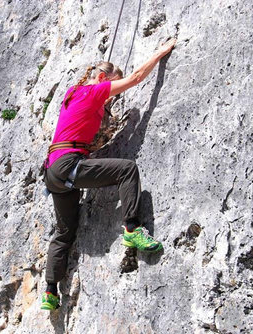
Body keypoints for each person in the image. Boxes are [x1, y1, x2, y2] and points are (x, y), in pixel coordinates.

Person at [40, 38, 177, 310]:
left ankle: (50, 291)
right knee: (127, 169)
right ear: (102, 78)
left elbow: (84, 124)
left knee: (64, 232)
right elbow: (137, 77)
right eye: (111, 85)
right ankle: (132, 229)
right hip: (69, 164)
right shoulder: (93, 92)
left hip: (53, 172)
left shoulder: (72, 93)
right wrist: (160, 52)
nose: (111, 93)